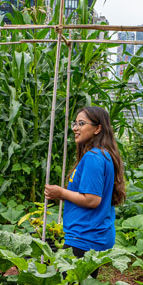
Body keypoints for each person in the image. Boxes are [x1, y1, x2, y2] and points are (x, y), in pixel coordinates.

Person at [44, 106, 126, 258]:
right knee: (85, 282)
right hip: (94, 235)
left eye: (81, 124)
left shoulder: (93, 157)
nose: (75, 128)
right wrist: (63, 195)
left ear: (97, 129)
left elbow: (92, 199)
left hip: (83, 236)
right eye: (75, 124)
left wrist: (61, 192)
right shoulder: (104, 155)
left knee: (70, 281)